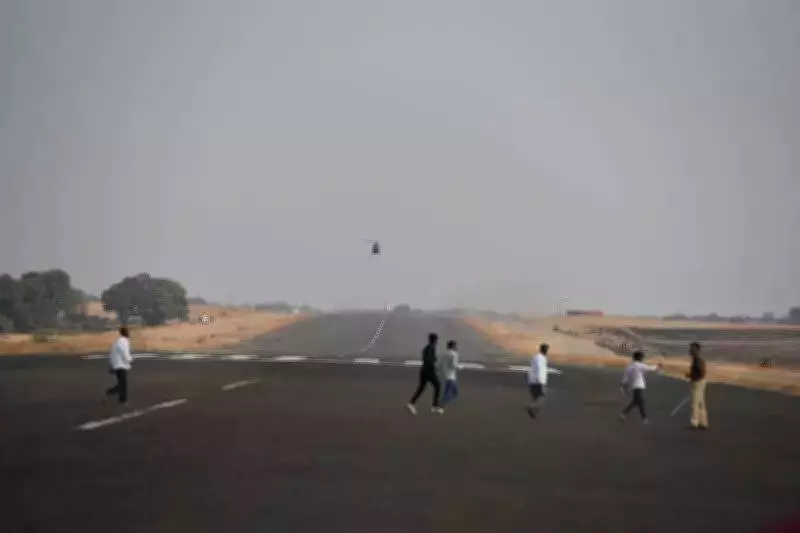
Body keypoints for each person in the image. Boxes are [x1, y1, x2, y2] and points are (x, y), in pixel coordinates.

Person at [619, 350, 661, 424]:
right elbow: (650, 368)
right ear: (640, 357)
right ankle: (643, 417)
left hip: (634, 386)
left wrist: (624, 387)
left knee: (637, 401)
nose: (643, 358)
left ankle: (626, 414)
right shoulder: (639, 365)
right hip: (639, 386)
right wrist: (658, 366)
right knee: (639, 401)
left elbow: (625, 378)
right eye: (642, 357)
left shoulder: (629, 366)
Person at [407, 333, 442, 414]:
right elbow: (429, 361)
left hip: (423, 371)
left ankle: (411, 403)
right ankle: (434, 406)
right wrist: (434, 366)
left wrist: (435, 360)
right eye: (437, 340)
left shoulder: (427, 347)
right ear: (435, 340)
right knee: (438, 386)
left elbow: (428, 358)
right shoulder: (431, 348)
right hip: (428, 371)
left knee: (421, 388)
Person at [105, 327, 133, 405]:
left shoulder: (119, 341)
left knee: (122, 383)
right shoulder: (123, 341)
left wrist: (111, 364)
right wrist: (129, 360)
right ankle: (120, 398)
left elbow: (111, 354)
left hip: (118, 364)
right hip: (120, 365)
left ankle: (120, 398)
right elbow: (124, 352)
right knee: (123, 384)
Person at [686, 342, 708, 429]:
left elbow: (701, 371)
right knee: (701, 402)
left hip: (698, 382)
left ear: (697, 350)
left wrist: (693, 376)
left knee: (695, 402)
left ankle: (695, 421)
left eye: (692, 349)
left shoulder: (697, 360)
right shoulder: (696, 359)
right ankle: (703, 422)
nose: (690, 350)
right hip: (700, 381)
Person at [527, 343, 549, 419]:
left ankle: (533, 414)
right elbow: (539, 368)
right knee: (542, 397)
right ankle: (531, 408)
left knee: (536, 399)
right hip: (539, 381)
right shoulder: (541, 358)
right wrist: (540, 380)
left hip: (532, 381)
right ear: (546, 350)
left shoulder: (536, 357)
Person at [439, 340, 461, 408]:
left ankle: (441, 406)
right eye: (456, 346)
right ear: (453, 346)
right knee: (454, 393)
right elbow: (454, 365)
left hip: (446, 376)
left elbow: (440, 364)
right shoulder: (454, 354)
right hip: (451, 377)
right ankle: (440, 405)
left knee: (448, 392)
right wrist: (460, 367)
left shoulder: (444, 354)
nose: (457, 347)